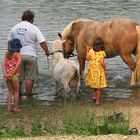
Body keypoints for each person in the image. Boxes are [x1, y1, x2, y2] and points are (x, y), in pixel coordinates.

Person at [7, 9, 50, 100]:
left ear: (23, 17)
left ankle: (17, 96)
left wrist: (9, 56)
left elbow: (10, 42)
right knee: (30, 77)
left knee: (18, 76)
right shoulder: (34, 28)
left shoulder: (14, 28)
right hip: (31, 55)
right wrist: (47, 52)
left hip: (17, 55)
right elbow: (42, 42)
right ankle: (28, 96)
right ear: (32, 19)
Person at [85, 37, 108, 105]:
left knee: (94, 85)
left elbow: (87, 59)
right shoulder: (102, 53)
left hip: (92, 71)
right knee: (98, 88)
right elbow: (102, 63)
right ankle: (97, 102)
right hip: (98, 71)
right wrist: (105, 70)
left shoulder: (91, 51)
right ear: (102, 45)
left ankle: (94, 97)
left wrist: (87, 50)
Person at [2, 38, 22, 112]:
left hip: (7, 76)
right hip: (14, 76)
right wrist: (12, 74)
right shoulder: (18, 55)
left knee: (10, 91)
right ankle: (15, 108)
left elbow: (2, 64)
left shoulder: (6, 54)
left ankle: (8, 108)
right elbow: (17, 65)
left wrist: (5, 74)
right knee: (16, 92)